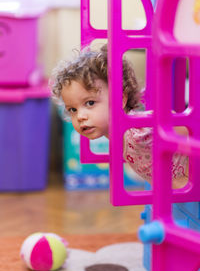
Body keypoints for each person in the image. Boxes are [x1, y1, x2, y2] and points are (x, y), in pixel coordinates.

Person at [50, 44, 188, 189]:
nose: (80, 116)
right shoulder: (117, 138)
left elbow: (183, 126)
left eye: (90, 103)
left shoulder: (138, 130)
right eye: (72, 109)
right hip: (180, 196)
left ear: (119, 100)